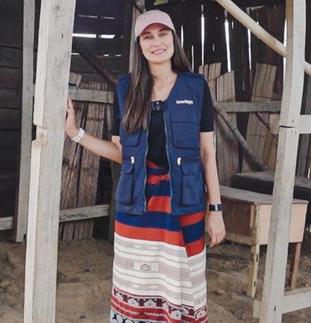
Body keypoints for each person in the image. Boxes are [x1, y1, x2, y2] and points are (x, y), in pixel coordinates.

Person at [64, 10, 225, 322]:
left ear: (173, 39)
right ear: (139, 45)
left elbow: (208, 154)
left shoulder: (195, 87)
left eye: (162, 34)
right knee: (136, 286)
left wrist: (215, 210)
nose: (156, 42)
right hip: (137, 204)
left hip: (185, 201)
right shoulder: (125, 88)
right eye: (147, 37)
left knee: (183, 285)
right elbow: (122, 153)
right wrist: (75, 134)